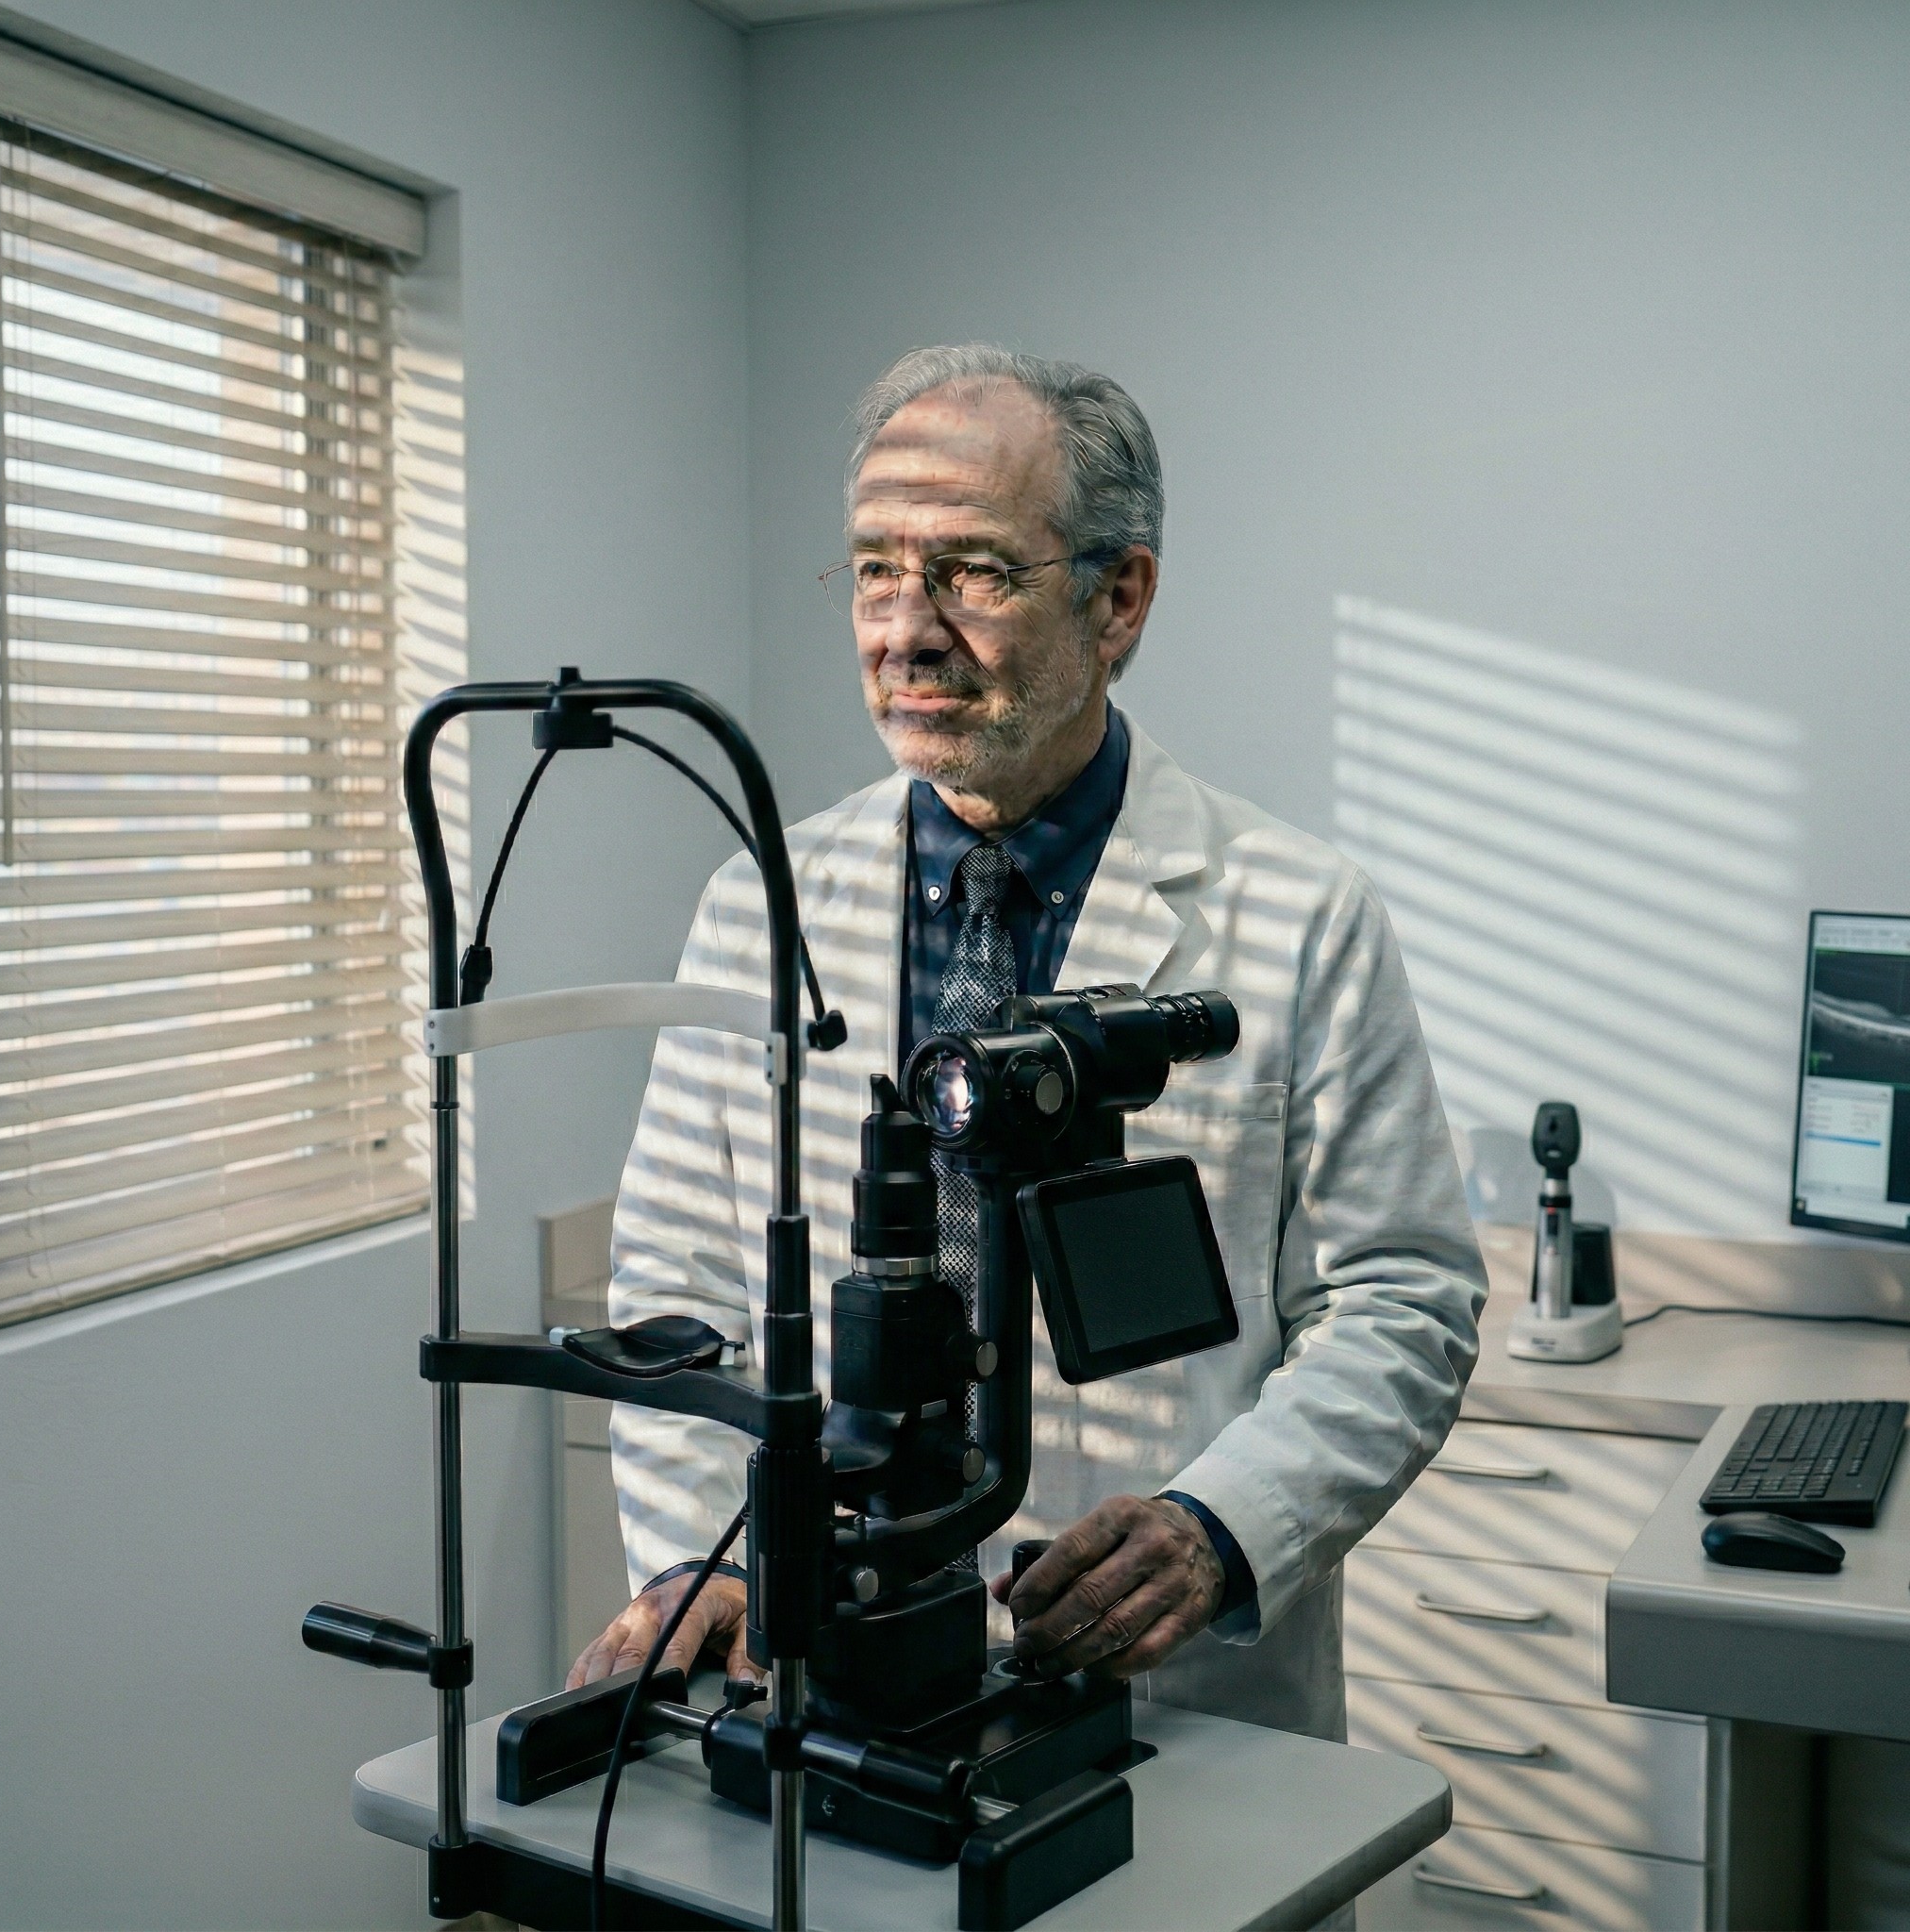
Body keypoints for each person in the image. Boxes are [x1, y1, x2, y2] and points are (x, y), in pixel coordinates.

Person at [569, 343, 1486, 1746]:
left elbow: (1400, 1299)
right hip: (832, 1670)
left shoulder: (1299, 916)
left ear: (1118, 600)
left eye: (976, 573)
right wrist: (706, 1550)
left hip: (1171, 1700)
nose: (907, 629)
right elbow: (677, 1282)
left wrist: (1217, 1529)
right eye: (877, 569)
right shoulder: (765, 904)